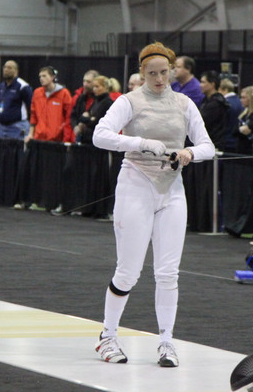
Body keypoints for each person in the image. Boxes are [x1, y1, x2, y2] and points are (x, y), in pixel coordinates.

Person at [91, 42, 215, 367]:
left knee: (168, 272)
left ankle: (166, 342)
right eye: (152, 73)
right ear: (142, 73)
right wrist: (140, 143)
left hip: (172, 189)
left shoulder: (185, 103)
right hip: (135, 184)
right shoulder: (129, 101)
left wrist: (189, 153)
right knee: (128, 271)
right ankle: (107, 336)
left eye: (164, 72)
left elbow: (208, 146)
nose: (159, 79)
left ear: (172, 71)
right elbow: (100, 135)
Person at [27, 66, 73, 143]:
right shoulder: (37, 93)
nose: (41, 78)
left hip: (56, 139)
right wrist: (30, 134)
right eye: (40, 76)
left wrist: (67, 138)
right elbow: (33, 115)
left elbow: (69, 116)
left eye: (44, 76)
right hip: (39, 137)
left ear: (52, 77)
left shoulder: (64, 93)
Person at [0, 60, 32, 139]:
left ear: (16, 71)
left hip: (17, 127)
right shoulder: (2, 86)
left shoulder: (23, 86)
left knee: (17, 150)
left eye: (9, 68)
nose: (6, 70)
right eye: (5, 67)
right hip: (2, 127)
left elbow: (31, 107)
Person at [77, 76, 114, 142]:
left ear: (105, 87)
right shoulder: (96, 101)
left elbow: (97, 122)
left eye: (97, 87)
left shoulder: (107, 102)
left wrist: (89, 119)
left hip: (98, 141)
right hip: (88, 138)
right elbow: (82, 117)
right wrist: (90, 119)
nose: (94, 89)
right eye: (94, 87)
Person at [198, 71, 230, 146]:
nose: (200, 85)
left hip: (213, 143)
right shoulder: (206, 100)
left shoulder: (216, 103)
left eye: (203, 82)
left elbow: (202, 122)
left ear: (212, 84)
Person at [219, 77, 243, 153]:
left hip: (227, 141)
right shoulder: (240, 101)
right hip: (237, 141)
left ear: (225, 90)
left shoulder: (225, 104)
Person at [235, 85, 253, 156]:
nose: (241, 100)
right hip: (240, 149)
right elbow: (234, 131)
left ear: (251, 99)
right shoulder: (243, 114)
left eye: (243, 98)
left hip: (250, 151)